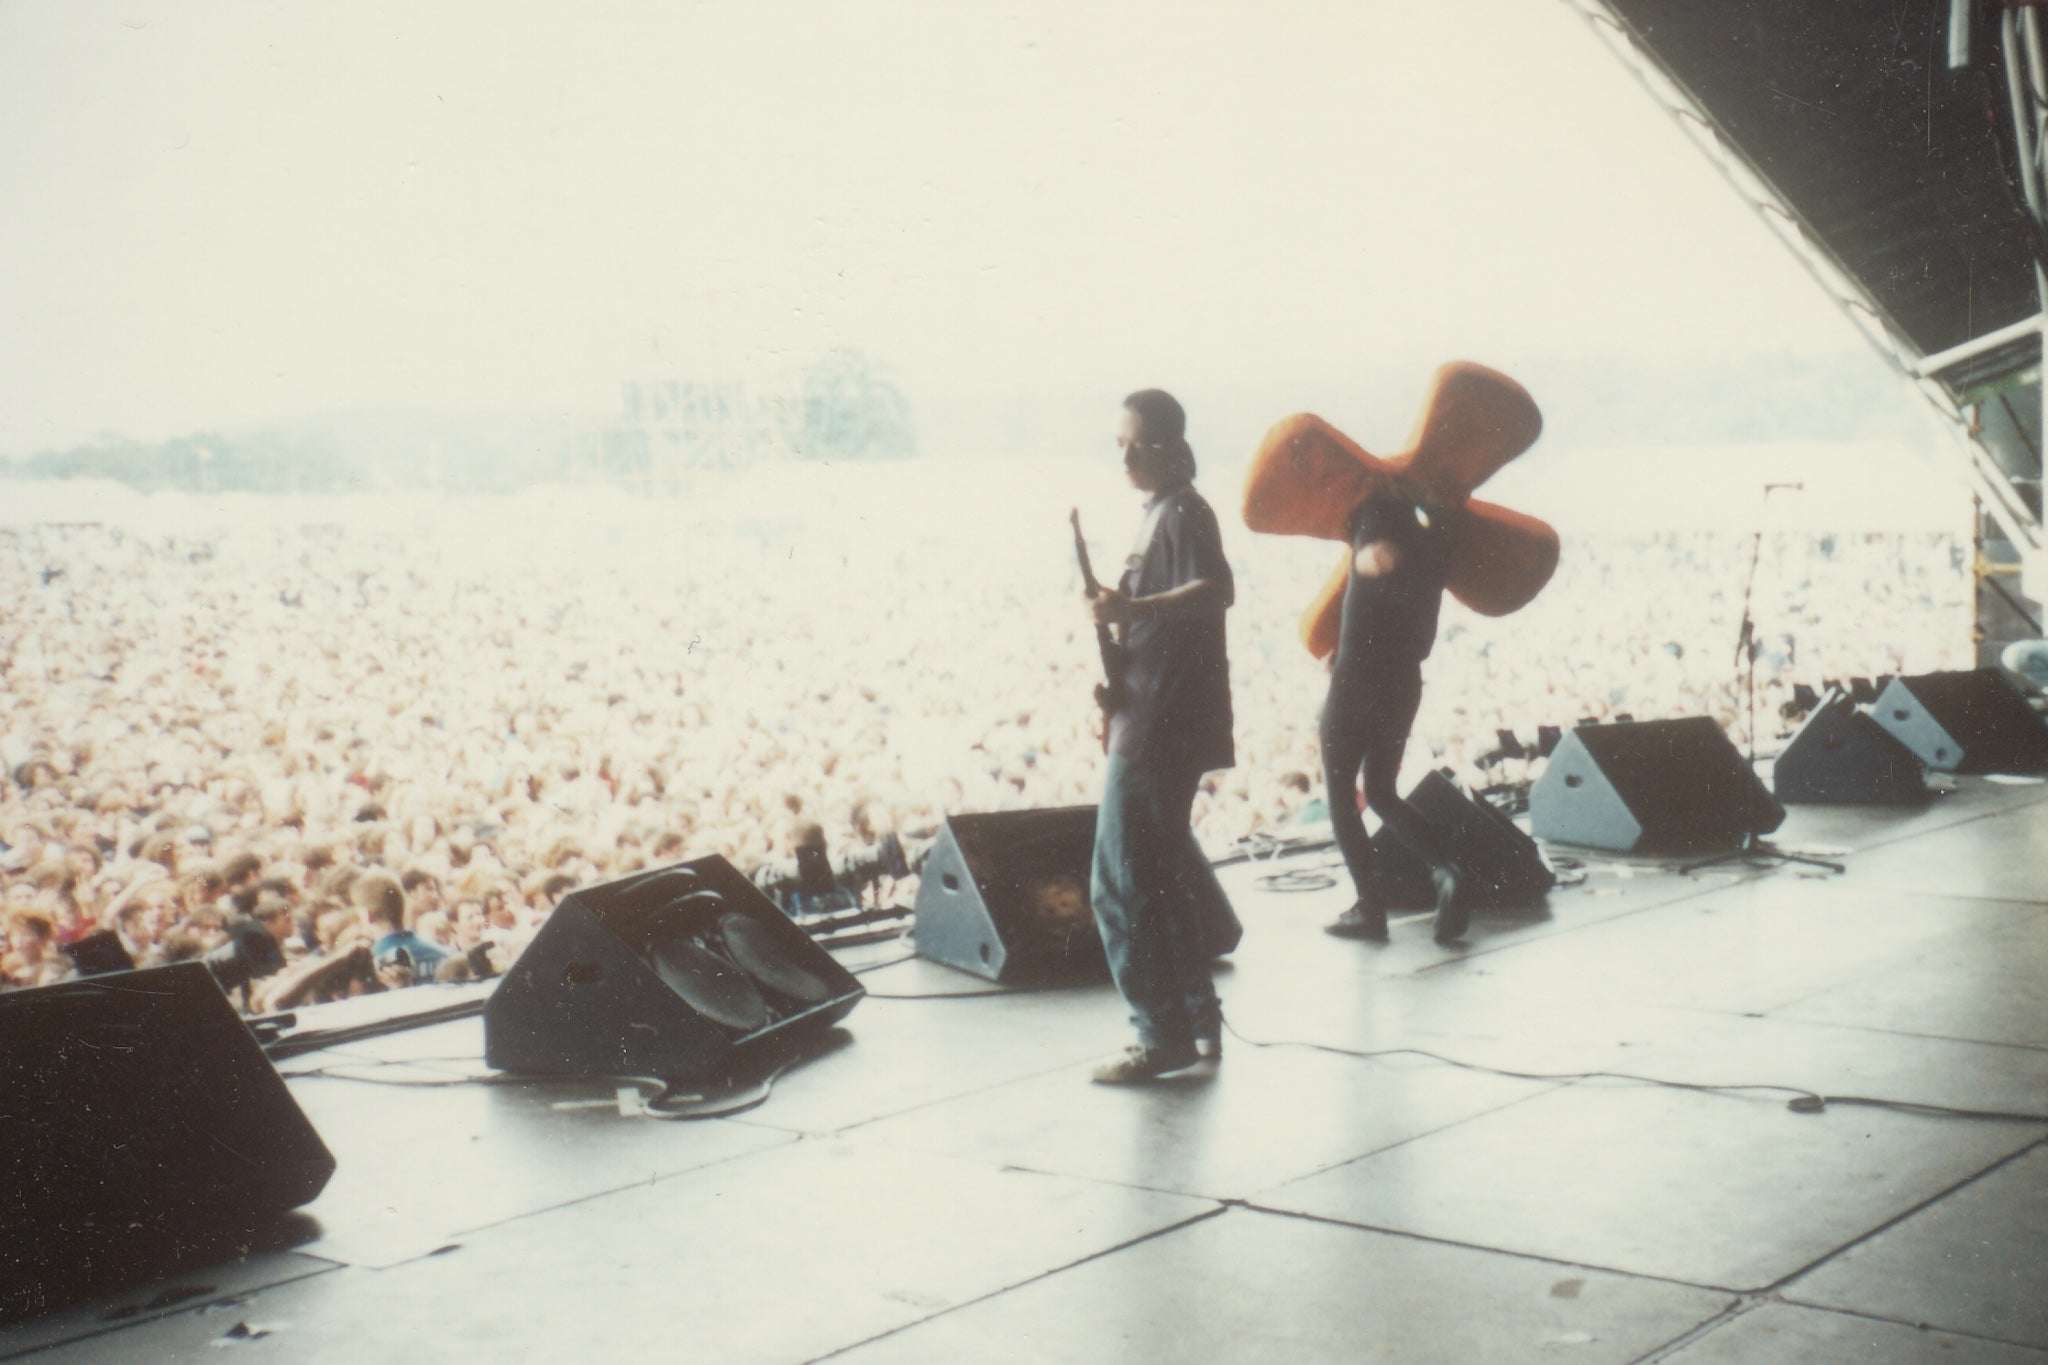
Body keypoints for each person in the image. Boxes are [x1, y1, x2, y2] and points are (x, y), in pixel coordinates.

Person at [1082, 388, 1237, 1084]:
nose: (1124, 455)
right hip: (1147, 713)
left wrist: (1131, 606)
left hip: (1159, 726)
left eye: (1134, 443)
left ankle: (1159, 1033)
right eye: (1119, 443)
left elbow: (1216, 590)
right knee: (1163, 878)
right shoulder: (1161, 516)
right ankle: (1196, 1020)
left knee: (1119, 880)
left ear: (1171, 448)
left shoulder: (1184, 514)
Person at [1321, 481, 1467, 944]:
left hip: (1355, 682)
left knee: (1343, 797)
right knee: (1381, 792)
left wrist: (1369, 554)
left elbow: (1375, 557)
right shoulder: (1437, 536)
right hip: (1402, 683)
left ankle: (1370, 907)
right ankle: (1446, 871)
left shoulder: (1374, 513)